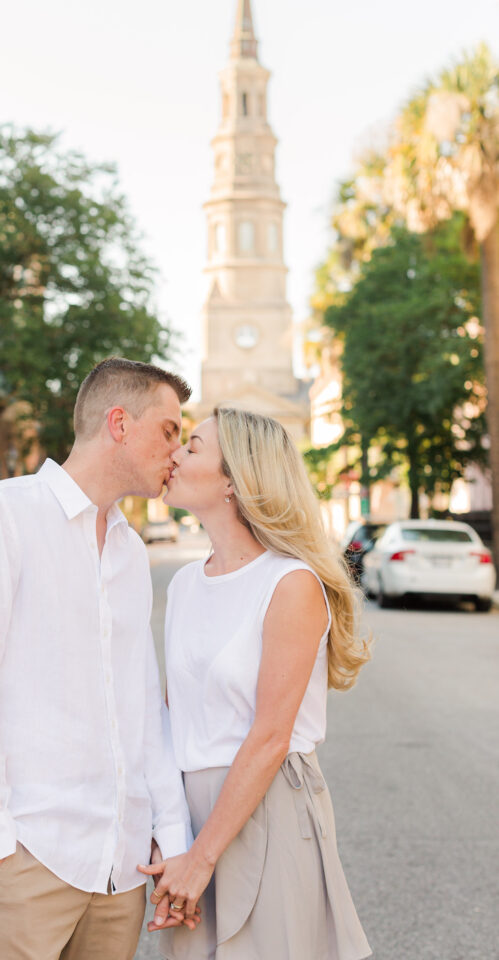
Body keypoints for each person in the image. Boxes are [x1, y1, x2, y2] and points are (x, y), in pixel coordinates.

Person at [0, 358, 199, 960]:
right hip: (29, 854)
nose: (177, 452)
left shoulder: (130, 551)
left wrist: (170, 834)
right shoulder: (2, 513)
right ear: (119, 423)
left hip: (120, 869)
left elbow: (142, 704)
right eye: (169, 431)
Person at [140, 407, 372, 960]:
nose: (174, 454)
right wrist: (169, 834)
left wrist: (202, 858)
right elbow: (170, 718)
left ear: (233, 480)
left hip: (268, 805)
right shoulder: (185, 584)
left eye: (192, 447)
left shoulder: (290, 583)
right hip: (193, 811)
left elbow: (270, 737)